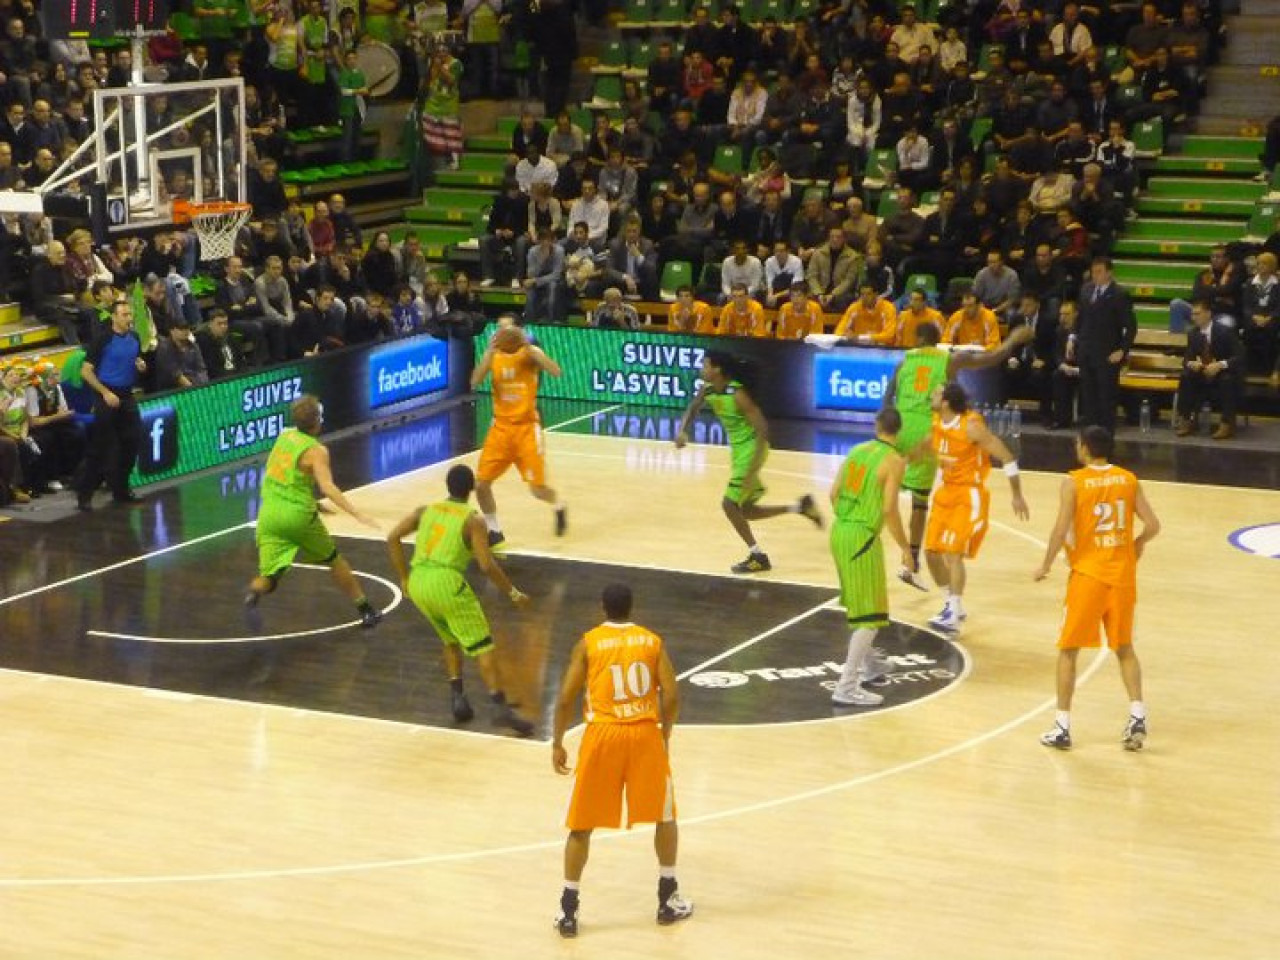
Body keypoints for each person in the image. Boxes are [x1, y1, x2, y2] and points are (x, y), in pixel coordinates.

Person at [551, 583, 692, 938]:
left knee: (581, 824)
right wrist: (665, 733)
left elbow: (566, 698)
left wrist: (557, 742)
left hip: (602, 736)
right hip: (643, 734)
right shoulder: (651, 641)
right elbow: (672, 695)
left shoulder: (588, 643)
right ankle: (667, 898)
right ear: (632, 608)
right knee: (665, 815)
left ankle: (569, 910)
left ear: (603, 608)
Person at [1033, 426, 1161, 751]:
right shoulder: (1129, 479)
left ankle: (1062, 725)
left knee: (1067, 651)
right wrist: (1138, 543)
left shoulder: (1074, 481)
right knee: (1124, 648)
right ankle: (1138, 714)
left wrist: (1046, 564)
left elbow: (1061, 528)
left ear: (1085, 447)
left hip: (1088, 576)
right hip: (1122, 576)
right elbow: (1153, 525)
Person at [385, 465, 535, 735]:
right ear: (470, 491)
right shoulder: (472, 520)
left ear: (448, 486)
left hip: (419, 582)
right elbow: (486, 565)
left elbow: (392, 537)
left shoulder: (425, 510)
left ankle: (458, 698)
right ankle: (499, 708)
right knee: (484, 646)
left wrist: (404, 578)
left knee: (450, 639)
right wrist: (513, 593)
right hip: (447, 584)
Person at [884, 322, 1032, 582]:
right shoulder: (949, 360)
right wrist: (1014, 340)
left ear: (917, 338)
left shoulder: (904, 361)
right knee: (920, 504)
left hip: (900, 429)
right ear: (938, 339)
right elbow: (992, 357)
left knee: (887, 495)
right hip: (927, 428)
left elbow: (887, 398)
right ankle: (912, 561)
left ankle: (892, 550)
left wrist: (889, 429)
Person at [674, 350, 822, 573]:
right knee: (747, 511)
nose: (701, 369)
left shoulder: (737, 393)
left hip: (753, 448)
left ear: (717, 369)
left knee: (728, 504)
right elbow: (692, 409)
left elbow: (763, 430)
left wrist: (752, 470)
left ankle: (757, 556)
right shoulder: (708, 389)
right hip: (739, 452)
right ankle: (800, 507)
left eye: (705, 365)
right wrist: (683, 431)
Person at [244, 395, 382, 628]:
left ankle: (253, 593)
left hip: (268, 514)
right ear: (317, 421)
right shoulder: (317, 451)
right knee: (334, 559)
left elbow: (288, 476)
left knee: (270, 577)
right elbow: (327, 487)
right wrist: (356, 513)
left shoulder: (284, 436)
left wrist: (313, 502)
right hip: (297, 516)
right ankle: (366, 609)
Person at [922, 382, 1030, 632]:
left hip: (969, 494)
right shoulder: (936, 424)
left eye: (936, 393)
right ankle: (952, 603)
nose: (931, 396)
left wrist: (1017, 495)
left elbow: (1006, 456)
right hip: (945, 493)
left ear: (947, 401)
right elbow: (926, 449)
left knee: (953, 552)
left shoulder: (971, 427)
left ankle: (953, 610)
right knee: (931, 553)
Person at [828, 408, 916, 707]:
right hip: (862, 537)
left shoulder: (856, 451)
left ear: (877, 426)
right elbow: (890, 509)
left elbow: (833, 493)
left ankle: (872, 666)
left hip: (840, 531)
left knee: (860, 605)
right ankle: (847, 685)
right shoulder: (894, 461)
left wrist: (847, 517)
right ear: (898, 431)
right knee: (870, 616)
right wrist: (906, 548)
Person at [469, 322, 567, 547]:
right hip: (501, 428)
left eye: (509, 330)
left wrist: (529, 348)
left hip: (526, 428)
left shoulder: (530, 353)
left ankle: (558, 505)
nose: (505, 333)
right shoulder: (493, 355)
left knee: (537, 490)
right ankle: (494, 530)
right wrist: (489, 353)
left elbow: (556, 371)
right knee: (481, 484)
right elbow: (475, 381)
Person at [76, 300, 147, 511]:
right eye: (124, 315)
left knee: (132, 443)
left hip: (126, 395)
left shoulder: (135, 337)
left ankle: (121, 489)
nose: (129, 319)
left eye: (130, 314)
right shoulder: (102, 340)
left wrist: (140, 365)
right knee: (101, 447)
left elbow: (132, 361)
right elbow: (85, 372)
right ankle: (85, 495)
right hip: (106, 394)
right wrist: (105, 393)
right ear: (114, 317)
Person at [1076, 256, 1136, 433]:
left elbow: (1131, 326)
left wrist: (1122, 350)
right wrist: (1073, 338)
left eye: (1099, 272)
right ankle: (1090, 435)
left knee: (1106, 398)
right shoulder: (1086, 290)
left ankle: (1106, 436)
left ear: (1109, 273)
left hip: (1107, 353)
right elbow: (1080, 318)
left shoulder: (1119, 294)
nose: (1095, 275)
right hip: (1086, 350)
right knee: (1088, 396)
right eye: (1093, 272)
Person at [1174, 300, 1245, 440]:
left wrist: (1220, 365)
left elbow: (1240, 357)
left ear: (1208, 314)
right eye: (1192, 314)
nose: (1194, 317)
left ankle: (1226, 424)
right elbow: (1187, 359)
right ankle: (1186, 419)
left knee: (1227, 380)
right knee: (1186, 376)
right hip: (1203, 373)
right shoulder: (1193, 334)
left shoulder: (1225, 331)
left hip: (1224, 373)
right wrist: (1192, 364)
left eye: (1197, 314)